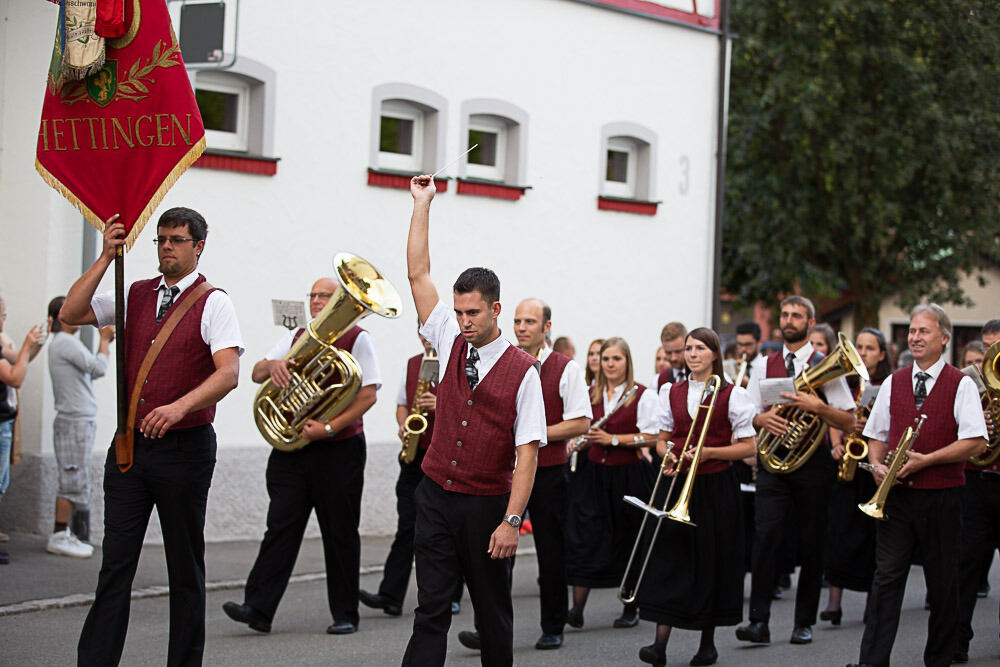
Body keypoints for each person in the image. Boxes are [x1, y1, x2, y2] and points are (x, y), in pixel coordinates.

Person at [62, 208, 243, 667]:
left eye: (177, 240)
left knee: (184, 569)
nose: (166, 247)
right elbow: (71, 311)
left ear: (198, 246)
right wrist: (106, 256)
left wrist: (181, 405)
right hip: (129, 450)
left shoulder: (214, 301)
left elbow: (230, 373)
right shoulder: (134, 291)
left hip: (186, 450)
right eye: (161, 239)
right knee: (115, 567)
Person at [401, 174, 546, 667]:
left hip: (488, 506)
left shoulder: (525, 372)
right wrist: (422, 204)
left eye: (473, 313)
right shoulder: (447, 335)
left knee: (492, 615)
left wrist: (512, 521)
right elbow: (418, 276)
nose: (463, 320)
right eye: (459, 311)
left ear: (496, 310)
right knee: (431, 609)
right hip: (436, 494)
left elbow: (527, 453)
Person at [223, 277, 380, 636]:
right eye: (313, 295)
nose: (317, 301)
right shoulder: (297, 337)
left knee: (339, 532)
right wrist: (274, 367)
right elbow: (256, 371)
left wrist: (328, 427)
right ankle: (258, 608)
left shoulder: (358, 338)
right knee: (280, 526)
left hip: (338, 450)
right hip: (293, 449)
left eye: (326, 295)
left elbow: (368, 394)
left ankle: (345, 613)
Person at [848, 304, 988, 667]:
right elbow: (876, 433)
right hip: (897, 498)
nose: (915, 337)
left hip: (943, 496)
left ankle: (939, 659)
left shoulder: (963, 384)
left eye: (924, 331)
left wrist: (928, 460)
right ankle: (872, 661)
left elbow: (976, 441)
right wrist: (878, 464)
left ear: (944, 338)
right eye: (912, 331)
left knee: (943, 583)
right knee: (886, 580)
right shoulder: (894, 381)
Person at [736, 295, 857, 647]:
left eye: (797, 315)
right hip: (774, 463)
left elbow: (848, 419)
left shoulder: (826, 364)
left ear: (810, 321)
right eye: (786, 314)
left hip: (814, 464)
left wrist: (816, 406)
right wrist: (761, 418)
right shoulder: (765, 363)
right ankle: (758, 621)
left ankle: (803, 622)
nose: (790, 320)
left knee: (811, 542)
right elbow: (748, 412)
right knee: (765, 539)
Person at [636, 328, 756, 666]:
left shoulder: (733, 394)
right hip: (677, 483)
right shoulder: (670, 391)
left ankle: (707, 644)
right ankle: (659, 644)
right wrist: (667, 456)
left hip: (715, 485)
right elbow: (661, 440)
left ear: (714, 354)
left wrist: (710, 452)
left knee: (711, 561)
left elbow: (749, 446)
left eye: (700, 348)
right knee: (670, 558)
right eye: (688, 348)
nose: (691, 354)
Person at [360, 331, 464, 618]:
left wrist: (441, 403)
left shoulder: (460, 363)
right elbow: (402, 404)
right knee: (407, 526)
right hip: (415, 456)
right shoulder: (413, 363)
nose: (427, 337)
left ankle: (452, 594)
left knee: (448, 531)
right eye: (423, 330)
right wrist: (404, 422)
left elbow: (472, 409)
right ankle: (391, 595)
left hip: (447, 458)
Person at [565, 337, 659, 631]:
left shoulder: (642, 395)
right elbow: (578, 429)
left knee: (629, 539)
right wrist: (577, 444)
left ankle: (631, 607)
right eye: (606, 359)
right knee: (585, 537)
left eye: (616, 359)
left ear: (627, 362)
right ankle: (576, 609)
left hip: (628, 474)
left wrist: (614, 439)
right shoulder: (588, 393)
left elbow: (654, 436)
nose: (610, 364)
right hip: (594, 475)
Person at [820, 327, 894, 625]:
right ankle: (833, 603)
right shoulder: (846, 383)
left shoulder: (888, 384)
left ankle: (870, 605)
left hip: (874, 463)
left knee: (871, 537)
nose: (862, 353)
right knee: (838, 530)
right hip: (847, 461)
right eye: (859, 347)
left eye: (870, 348)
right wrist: (837, 444)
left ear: (882, 354)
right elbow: (833, 415)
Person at [45, 295, 115, 558]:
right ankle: (60, 534)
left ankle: (68, 534)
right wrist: (105, 341)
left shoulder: (63, 343)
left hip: (76, 418)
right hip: (74, 420)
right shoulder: (65, 343)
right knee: (72, 477)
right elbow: (98, 368)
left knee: (76, 475)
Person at [953, 317, 1000, 662]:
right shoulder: (967, 382)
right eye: (986, 347)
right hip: (975, 482)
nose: (989, 355)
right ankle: (956, 641)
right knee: (965, 564)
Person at [0, 295, 45, 565]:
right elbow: (15, 376)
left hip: (4, 422)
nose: (4, 318)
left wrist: (34, 344)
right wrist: (28, 346)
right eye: (3, 313)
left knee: (2, 483)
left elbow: (19, 358)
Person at [657, 322, 688, 388]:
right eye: (668, 353)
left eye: (678, 351)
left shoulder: (698, 375)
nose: (673, 358)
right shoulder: (663, 378)